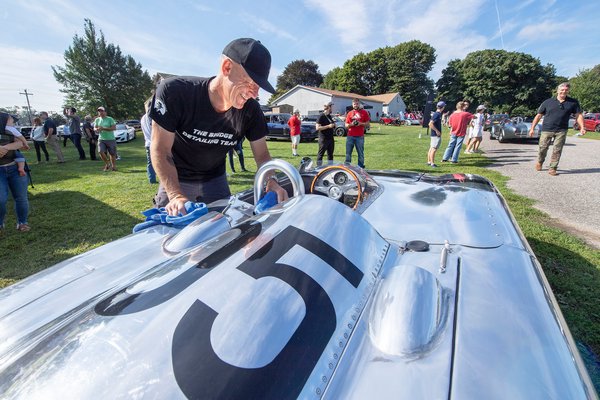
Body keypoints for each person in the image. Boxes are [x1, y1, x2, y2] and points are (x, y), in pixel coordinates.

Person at [149, 37, 287, 216]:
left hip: (215, 180)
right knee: (169, 238)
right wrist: (175, 195)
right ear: (227, 68)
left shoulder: (251, 110)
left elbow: (262, 155)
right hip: (176, 178)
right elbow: (160, 149)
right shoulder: (176, 92)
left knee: (224, 233)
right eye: (250, 82)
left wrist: (272, 180)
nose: (254, 93)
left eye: (258, 86)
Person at [529, 82, 585, 176]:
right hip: (547, 129)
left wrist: (582, 127)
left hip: (561, 130)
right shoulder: (548, 102)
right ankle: (540, 161)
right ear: (558, 90)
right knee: (542, 148)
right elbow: (538, 116)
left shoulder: (573, 102)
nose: (564, 91)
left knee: (557, 149)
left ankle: (553, 168)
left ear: (568, 91)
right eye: (562, 89)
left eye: (566, 90)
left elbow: (578, 115)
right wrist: (532, 128)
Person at [0, 112, 30, 232]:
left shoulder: (9, 131)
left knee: (21, 197)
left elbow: (20, 143)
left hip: (14, 167)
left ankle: (22, 222)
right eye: (10, 120)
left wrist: (5, 147)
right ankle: (0, 224)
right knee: (1, 199)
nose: (12, 122)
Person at [344, 98, 370, 168]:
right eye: (354, 104)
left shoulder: (364, 112)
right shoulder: (349, 113)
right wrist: (351, 124)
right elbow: (346, 125)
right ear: (352, 105)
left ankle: (361, 168)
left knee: (360, 153)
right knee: (348, 154)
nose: (356, 105)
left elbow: (368, 124)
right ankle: (347, 167)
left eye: (357, 104)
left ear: (359, 104)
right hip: (350, 136)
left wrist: (360, 123)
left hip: (360, 136)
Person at [94, 106, 117, 171]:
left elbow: (114, 128)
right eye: (99, 111)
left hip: (110, 139)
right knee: (100, 151)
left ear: (105, 112)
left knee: (112, 153)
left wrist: (103, 128)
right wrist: (96, 129)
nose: (100, 112)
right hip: (101, 139)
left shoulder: (110, 119)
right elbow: (95, 128)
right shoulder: (97, 119)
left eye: (102, 111)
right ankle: (107, 163)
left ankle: (113, 166)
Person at [141, 101, 157, 183]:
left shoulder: (143, 117)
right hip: (155, 142)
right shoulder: (152, 116)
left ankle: (152, 179)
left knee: (150, 162)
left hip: (147, 143)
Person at [427, 101, 445, 167]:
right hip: (435, 135)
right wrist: (437, 131)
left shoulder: (437, 114)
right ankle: (432, 163)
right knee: (434, 149)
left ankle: (429, 162)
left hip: (433, 135)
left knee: (431, 148)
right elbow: (430, 124)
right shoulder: (437, 114)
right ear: (443, 107)